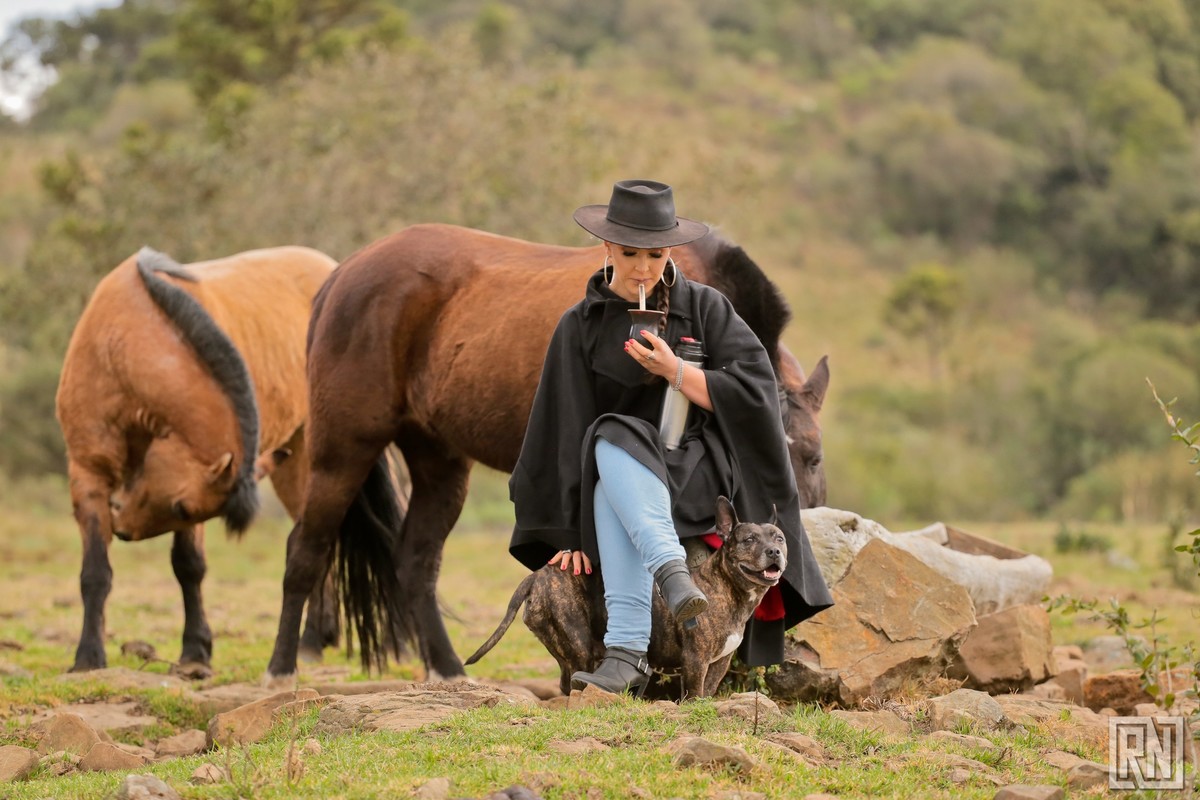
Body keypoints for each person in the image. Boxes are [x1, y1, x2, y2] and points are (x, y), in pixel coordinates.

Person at [508, 179, 833, 696]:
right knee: (610, 438)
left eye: (655, 254)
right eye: (630, 253)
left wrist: (676, 371)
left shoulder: (706, 308)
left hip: (696, 469)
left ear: (669, 251)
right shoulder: (579, 325)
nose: (643, 267)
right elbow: (561, 427)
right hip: (612, 474)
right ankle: (669, 575)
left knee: (610, 442)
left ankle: (626, 649)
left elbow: (756, 397)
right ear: (607, 247)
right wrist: (568, 533)